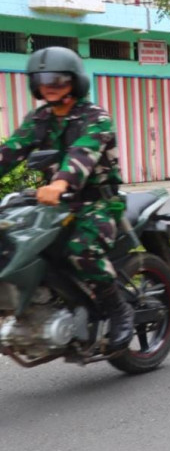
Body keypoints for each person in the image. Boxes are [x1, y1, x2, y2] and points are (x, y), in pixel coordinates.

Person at [0, 47, 131, 350]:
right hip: (53, 203)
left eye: (58, 79)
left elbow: (81, 155)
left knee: (80, 250)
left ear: (74, 81)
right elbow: (11, 151)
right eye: (43, 79)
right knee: (15, 239)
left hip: (97, 202)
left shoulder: (95, 117)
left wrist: (60, 182)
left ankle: (118, 309)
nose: (50, 85)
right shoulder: (40, 118)